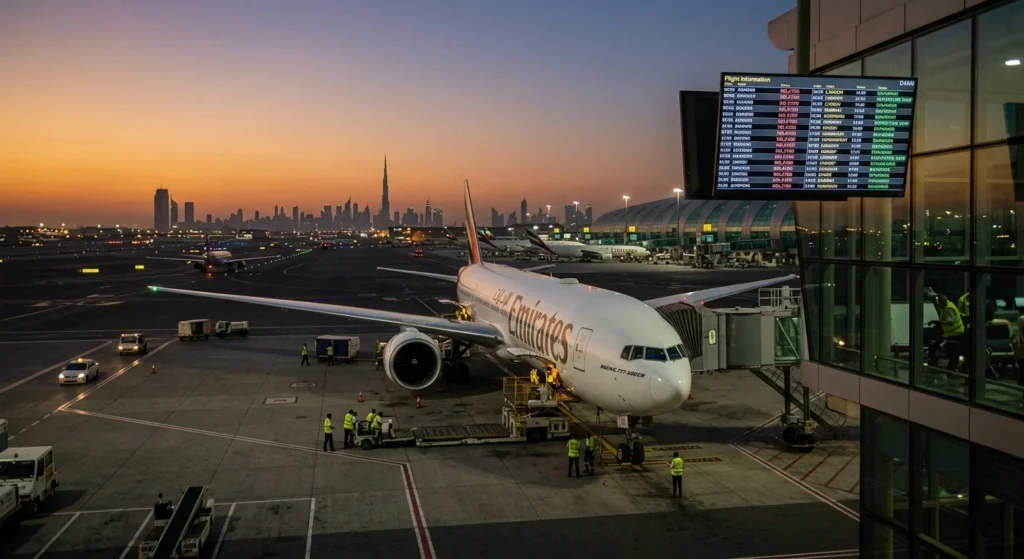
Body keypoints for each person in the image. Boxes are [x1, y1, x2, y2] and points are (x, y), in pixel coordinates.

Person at [926, 288, 966, 374]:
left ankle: (935, 365)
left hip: (954, 332)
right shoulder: (947, 305)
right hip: (950, 331)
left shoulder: (948, 309)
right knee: (936, 343)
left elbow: (950, 321)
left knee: (937, 344)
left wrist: (940, 323)